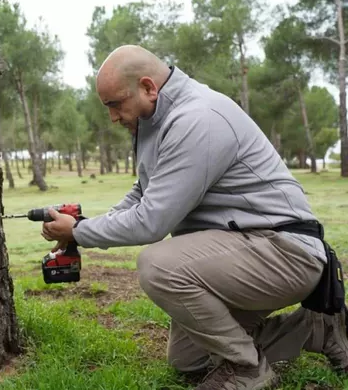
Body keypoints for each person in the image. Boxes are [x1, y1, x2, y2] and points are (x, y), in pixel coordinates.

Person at [40, 44, 348, 389]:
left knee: (158, 266)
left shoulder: (198, 118)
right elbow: (144, 191)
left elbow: (152, 221)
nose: (113, 117)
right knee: (189, 360)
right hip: (246, 249)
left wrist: (81, 231)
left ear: (148, 87)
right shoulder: (157, 121)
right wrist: (84, 226)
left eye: (115, 104)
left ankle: (246, 368)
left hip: (285, 251)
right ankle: (314, 328)